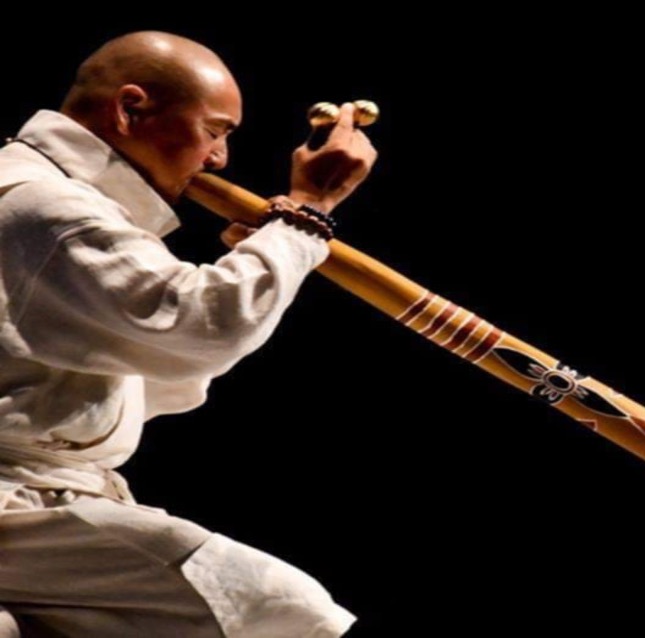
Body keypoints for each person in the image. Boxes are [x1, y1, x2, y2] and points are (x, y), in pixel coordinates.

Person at [0, 31, 376, 637]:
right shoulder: (46, 204)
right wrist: (307, 213)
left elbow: (154, 368)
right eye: (215, 131)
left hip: (37, 508)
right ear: (130, 109)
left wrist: (261, 258)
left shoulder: (35, 191)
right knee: (280, 611)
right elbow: (199, 328)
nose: (219, 159)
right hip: (15, 503)